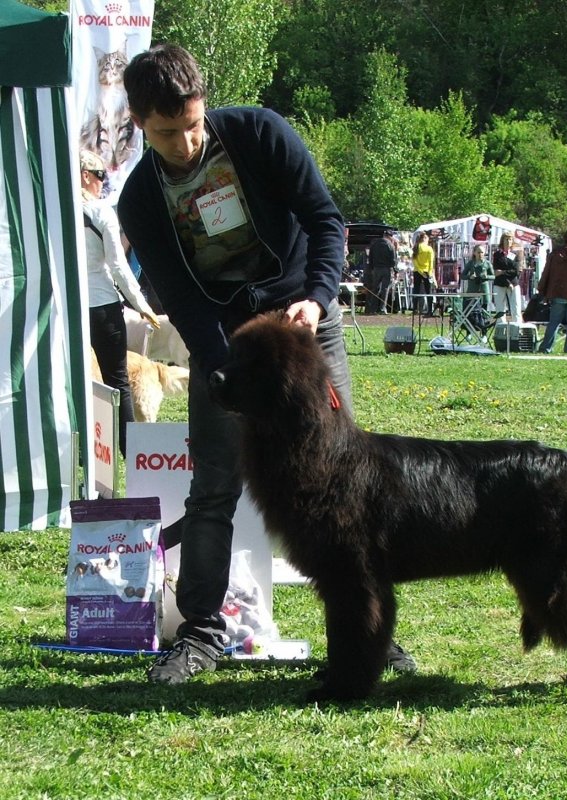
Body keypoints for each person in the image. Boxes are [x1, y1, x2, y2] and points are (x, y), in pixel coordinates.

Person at [117, 44, 415, 684]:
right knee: (214, 485)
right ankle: (199, 632)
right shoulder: (140, 199)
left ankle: (371, 637)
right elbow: (182, 297)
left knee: (346, 479)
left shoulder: (259, 132)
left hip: (306, 326)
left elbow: (324, 218)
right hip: (228, 345)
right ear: (140, 121)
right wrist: (231, 373)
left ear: (204, 102)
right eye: (168, 132)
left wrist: (318, 295)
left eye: (194, 122)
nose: (187, 141)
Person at [80, 149, 160, 458]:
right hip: (101, 305)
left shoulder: (56, 211)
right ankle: (134, 455)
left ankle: (85, 454)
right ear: (86, 176)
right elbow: (117, 265)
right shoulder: (101, 211)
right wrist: (142, 304)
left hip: (67, 307)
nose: (104, 182)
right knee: (117, 381)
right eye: (101, 175)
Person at [364, 228, 397, 314]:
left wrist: (371, 268)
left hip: (376, 269)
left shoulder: (374, 244)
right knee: (385, 289)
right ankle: (382, 308)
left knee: (375, 288)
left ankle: (373, 308)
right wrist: (395, 270)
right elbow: (393, 259)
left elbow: (370, 257)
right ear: (390, 236)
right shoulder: (390, 245)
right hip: (386, 269)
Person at [492, 232, 522, 322]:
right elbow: (496, 271)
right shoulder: (497, 255)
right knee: (500, 309)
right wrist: (507, 282)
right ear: (502, 240)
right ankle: (501, 332)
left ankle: (517, 330)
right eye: (506, 239)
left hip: (514, 284)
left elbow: (516, 271)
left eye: (510, 239)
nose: (508, 241)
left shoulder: (516, 254)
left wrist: (503, 272)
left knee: (516, 308)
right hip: (499, 284)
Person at [412, 231, 435, 316]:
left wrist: (420, 271)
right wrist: (429, 272)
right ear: (425, 238)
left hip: (417, 271)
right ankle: (430, 310)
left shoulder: (416, 247)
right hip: (426, 271)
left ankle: (414, 309)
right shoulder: (429, 248)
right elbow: (431, 262)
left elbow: (414, 261)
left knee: (416, 290)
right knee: (428, 291)